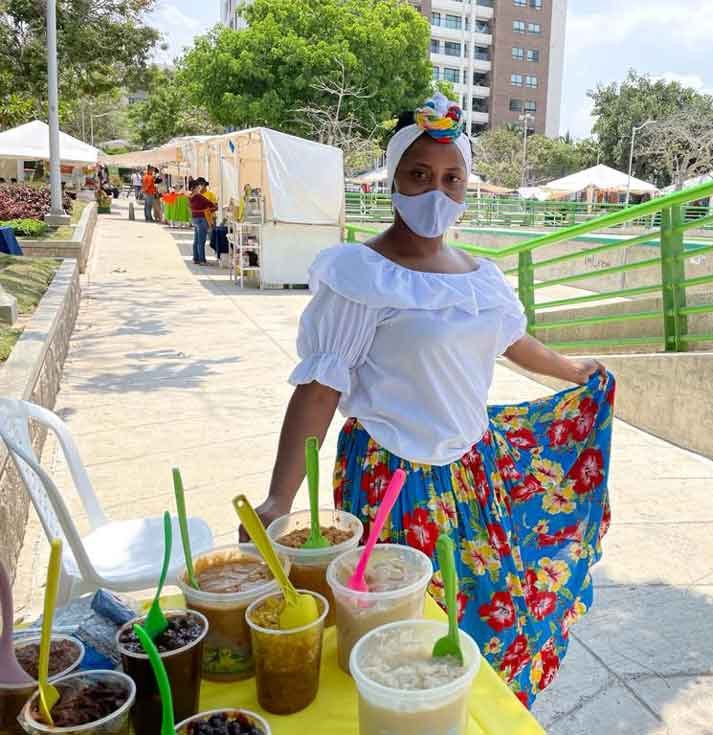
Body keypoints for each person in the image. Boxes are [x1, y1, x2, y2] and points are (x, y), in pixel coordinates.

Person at [243, 94, 614, 706]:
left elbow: (510, 340)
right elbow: (319, 388)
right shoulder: (362, 275)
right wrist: (280, 496)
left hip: (474, 471)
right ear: (393, 180)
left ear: (467, 185)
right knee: (399, 631)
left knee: (486, 615)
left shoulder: (480, 278)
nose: (434, 191)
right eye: (419, 174)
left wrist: (571, 370)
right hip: (392, 476)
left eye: (451, 177)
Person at [188, 178, 217, 265]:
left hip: (194, 218)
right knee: (201, 240)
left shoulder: (190, 196)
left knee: (196, 240)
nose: (199, 188)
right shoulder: (199, 196)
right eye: (198, 187)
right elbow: (211, 204)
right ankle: (202, 260)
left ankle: (195, 258)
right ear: (194, 188)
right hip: (202, 218)